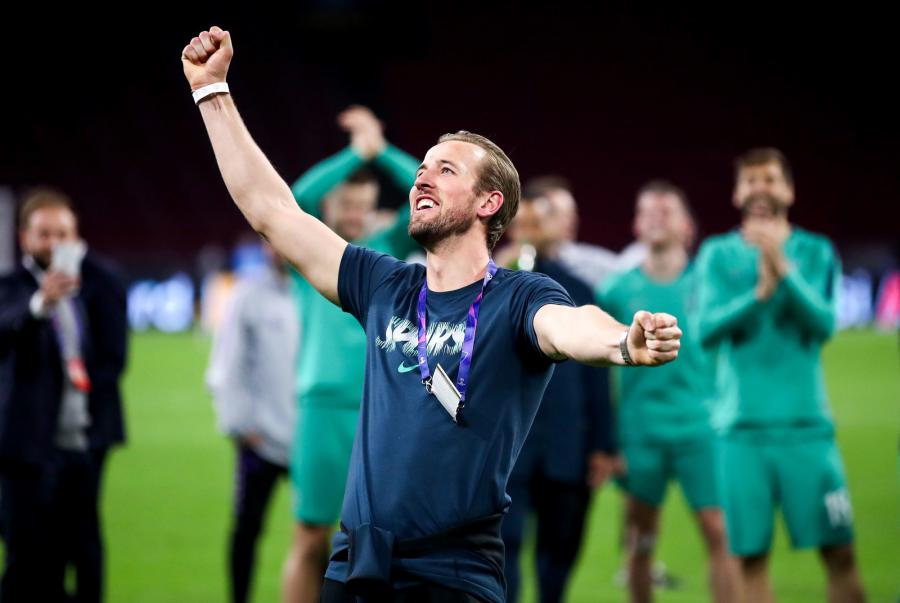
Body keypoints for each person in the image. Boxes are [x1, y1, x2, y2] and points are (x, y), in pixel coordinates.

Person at [180, 27, 682, 603]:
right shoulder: (382, 283)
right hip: (357, 565)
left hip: (453, 573)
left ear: (489, 203)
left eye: (445, 170)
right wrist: (212, 91)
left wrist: (622, 343)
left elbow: (568, 325)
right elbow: (272, 210)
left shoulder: (519, 296)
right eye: (422, 167)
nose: (422, 176)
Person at [696, 148, 865, 603]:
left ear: (788, 190)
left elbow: (824, 325)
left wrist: (782, 269)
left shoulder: (815, 250)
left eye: (769, 179)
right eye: (750, 180)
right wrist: (758, 294)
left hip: (807, 429)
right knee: (750, 559)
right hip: (742, 433)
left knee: (841, 552)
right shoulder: (717, 254)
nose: (760, 189)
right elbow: (705, 331)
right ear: (737, 194)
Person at [281, 105, 420, 603]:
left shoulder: (386, 249)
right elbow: (297, 198)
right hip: (322, 407)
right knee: (310, 536)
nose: (356, 213)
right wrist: (354, 155)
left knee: (375, 539)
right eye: (346, 203)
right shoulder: (309, 252)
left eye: (364, 204)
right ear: (331, 206)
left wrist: (381, 151)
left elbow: (426, 196)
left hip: (381, 409)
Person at [598, 181, 739, 603]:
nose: (656, 219)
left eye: (666, 211)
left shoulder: (712, 284)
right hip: (640, 431)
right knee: (640, 537)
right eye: (648, 212)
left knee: (720, 532)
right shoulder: (616, 290)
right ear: (636, 226)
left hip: (701, 427)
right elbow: (597, 364)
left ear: (687, 226)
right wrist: (608, 439)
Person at [0, 187, 128, 603]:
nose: (54, 244)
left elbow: (114, 359)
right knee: (27, 558)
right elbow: (7, 328)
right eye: (44, 234)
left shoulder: (96, 283)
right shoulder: (11, 288)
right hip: (26, 450)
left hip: (84, 444)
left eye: (63, 234)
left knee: (85, 551)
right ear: (24, 238)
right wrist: (41, 304)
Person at [499, 195, 618, 603]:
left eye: (537, 222)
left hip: (565, 445)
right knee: (502, 546)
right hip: (508, 445)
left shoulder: (579, 289)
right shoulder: (491, 284)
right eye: (522, 223)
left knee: (559, 552)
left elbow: (597, 377)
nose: (529, 231)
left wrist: (602, 445)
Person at [207, 240, 299, 603]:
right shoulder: (246, 295)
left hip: (310, 439)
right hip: (260, 440)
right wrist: (240, 426)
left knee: (317, 532)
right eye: (272, 241)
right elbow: (226, 364)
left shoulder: (320, 292)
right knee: (247, 528)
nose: (281, 248)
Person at [523, 176, 646, 289]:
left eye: (571, 213)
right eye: (555, 213)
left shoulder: (586, 263)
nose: (571, 220)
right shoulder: (516, 264)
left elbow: (623, 270)